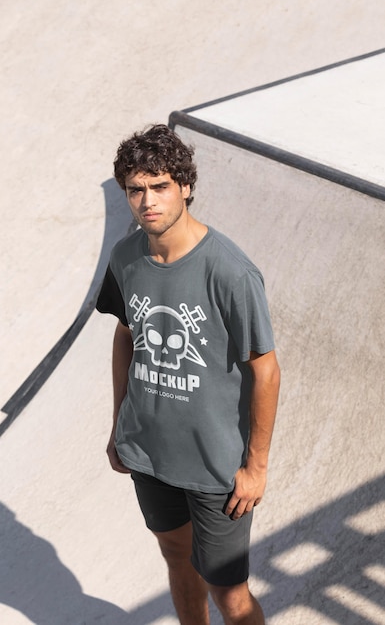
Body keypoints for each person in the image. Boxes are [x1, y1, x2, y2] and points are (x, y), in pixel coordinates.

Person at [96, 124, 280, 625]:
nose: (147, 201)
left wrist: (256, 466)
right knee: (177, 559)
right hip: (150, 454)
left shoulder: (229, 271)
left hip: (215, 469)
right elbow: (126, 337)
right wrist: (119, 426)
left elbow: (266, 371)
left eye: (159, 186)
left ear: (185, 186)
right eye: (136, 189)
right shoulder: (125, 258)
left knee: (231, 595)